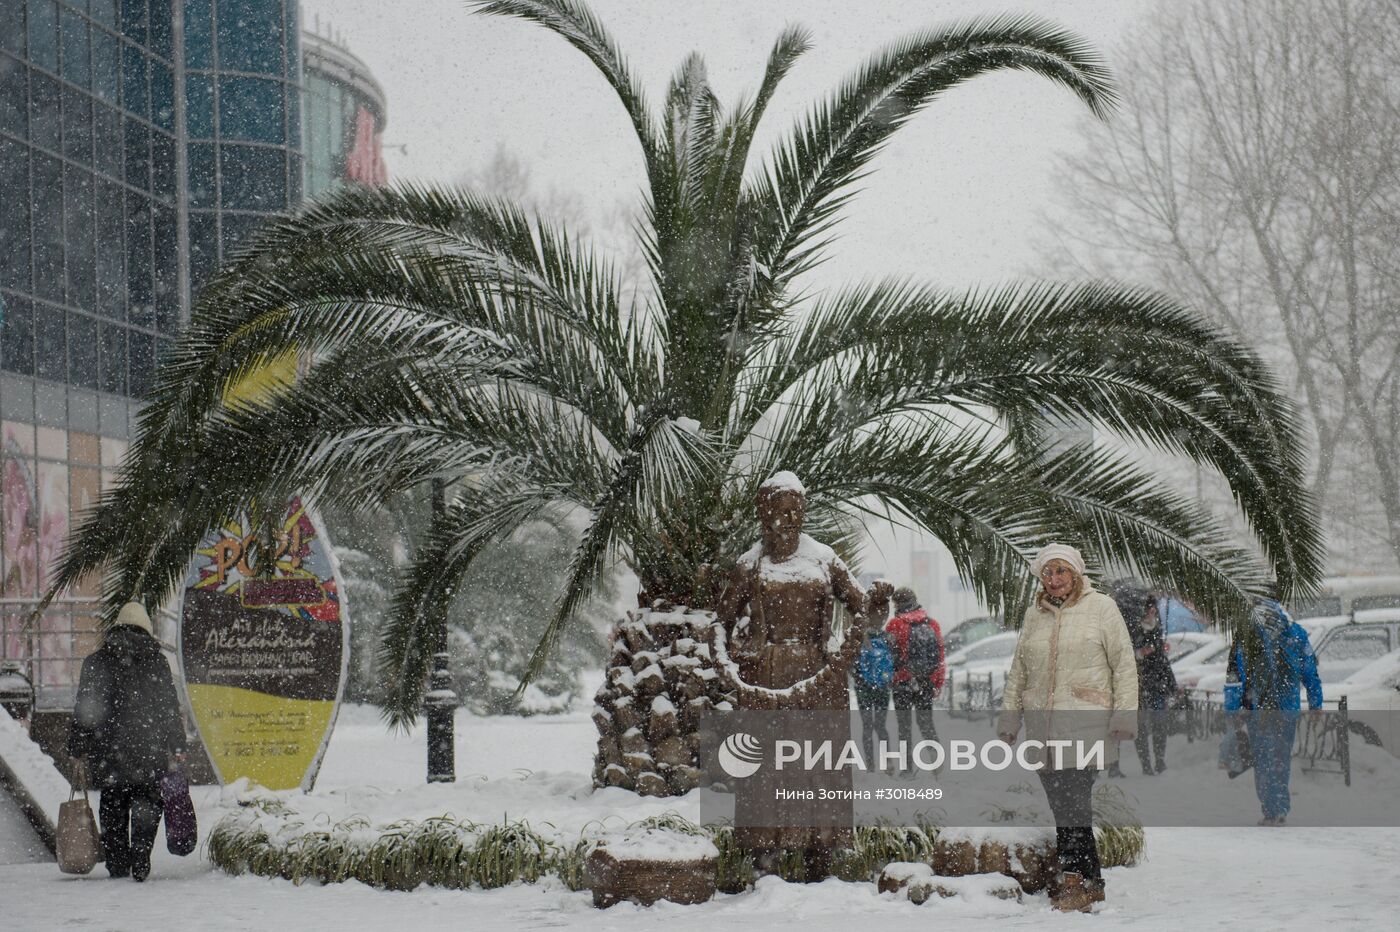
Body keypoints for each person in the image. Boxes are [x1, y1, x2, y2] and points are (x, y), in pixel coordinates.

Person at [998, 544, 1138, 913]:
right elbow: (1019, 671)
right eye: (1047, 573)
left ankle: (1074, 879)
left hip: (1086, 722)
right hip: (1042, 725)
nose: (1054, 579)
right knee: (1062, 805)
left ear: (1075, 573)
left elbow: (1124, 664)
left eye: (1061, 571)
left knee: (1074, 801)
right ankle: (1093, 883)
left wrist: (1124, 716)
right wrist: (1009, 721)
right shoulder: (1035, 615)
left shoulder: (1102, 608)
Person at [67, 601, 187, 882]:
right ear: (146, 628)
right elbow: (169, 707)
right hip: (149, 748)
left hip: (108, 750)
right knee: (147, 802)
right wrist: (177, 744)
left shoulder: (96, 662)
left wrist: (77, 746)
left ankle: (118, 861)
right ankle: (141, 855)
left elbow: (85, 708)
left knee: (112, 804)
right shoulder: (157, 662)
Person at [1225, 598, 1322, 826]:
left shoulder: (1248, 634)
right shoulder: (1295, 632)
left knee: (1263, 759)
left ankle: (1270, 808)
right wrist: (1316, 702)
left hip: (1257, 707)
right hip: (1287, 708)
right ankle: (1279, 808)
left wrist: (1232, 709)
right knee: (1280, 758)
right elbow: (1310, 670)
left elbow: (1235, 675)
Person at [1110, 580, 1177, 775]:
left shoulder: (1155, 627)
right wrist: (1140, 653)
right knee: (1135, 724)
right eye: (1149, 608)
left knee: (1158, 723)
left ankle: (1158, 761)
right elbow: (1125, 653)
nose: (1152, 612)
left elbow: (1160, 658)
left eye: (1154, 608)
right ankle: (1139, 764)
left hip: (1156, 681)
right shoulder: (1131, 627)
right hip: (1137, 681)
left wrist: (1170, 681)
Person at [884, 587, 944, 764]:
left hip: (902, 682)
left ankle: (907, 767)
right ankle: (936, 759)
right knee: (926, 724)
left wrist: (889, 678)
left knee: (904, 727)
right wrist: (937, 683)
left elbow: (888, 656)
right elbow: (940, 657)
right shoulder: (932, 623)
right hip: (925, 682)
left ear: (897, 603)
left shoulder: (894, 624)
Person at [852, 591, 894, 770]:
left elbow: (853, 665)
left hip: (864, 687)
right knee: (881, 726)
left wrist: (860, 677)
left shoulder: (859, 637)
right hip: (883, 687)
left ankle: (870, 765)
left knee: (867, 727)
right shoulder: (888, 638)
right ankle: (888, 762)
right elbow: (895, 662)